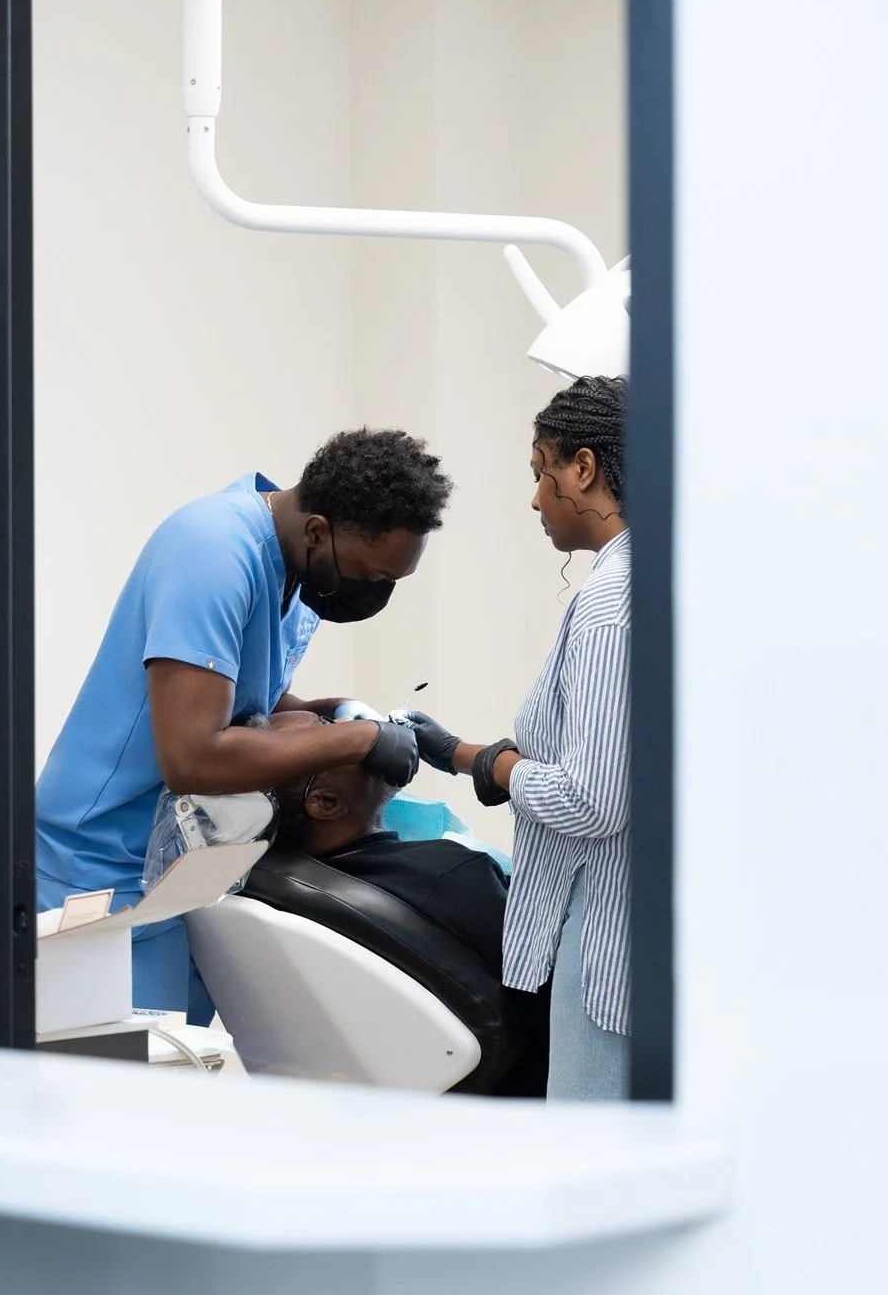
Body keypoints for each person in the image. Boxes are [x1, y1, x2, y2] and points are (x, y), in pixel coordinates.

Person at [37, 430, 453, 1020]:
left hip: (188, 867)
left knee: (189, 1063)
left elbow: (251, 701)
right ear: (318, 531)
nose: (374, 594)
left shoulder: (297, 568)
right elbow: (193, 758)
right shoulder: (212, 552)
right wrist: (357, 739)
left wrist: (339, 711)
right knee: (131, 1070)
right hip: (100, 873)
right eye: (370, 576)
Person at [398, 376, 630, 1099]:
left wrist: (493, 766)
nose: (535, 499)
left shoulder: (609, 608)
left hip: (609, 936)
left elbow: (593, 799)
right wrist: (468, 755)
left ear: (583, 469)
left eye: (541, 472)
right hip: (633, 922)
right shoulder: (654, 581)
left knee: (593, 1147)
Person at [245, 754, 548, 1095]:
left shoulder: (264, 883)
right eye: (326, 733)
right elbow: (553, 981)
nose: (361, 732)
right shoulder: (448, 875)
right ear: (326, 803)